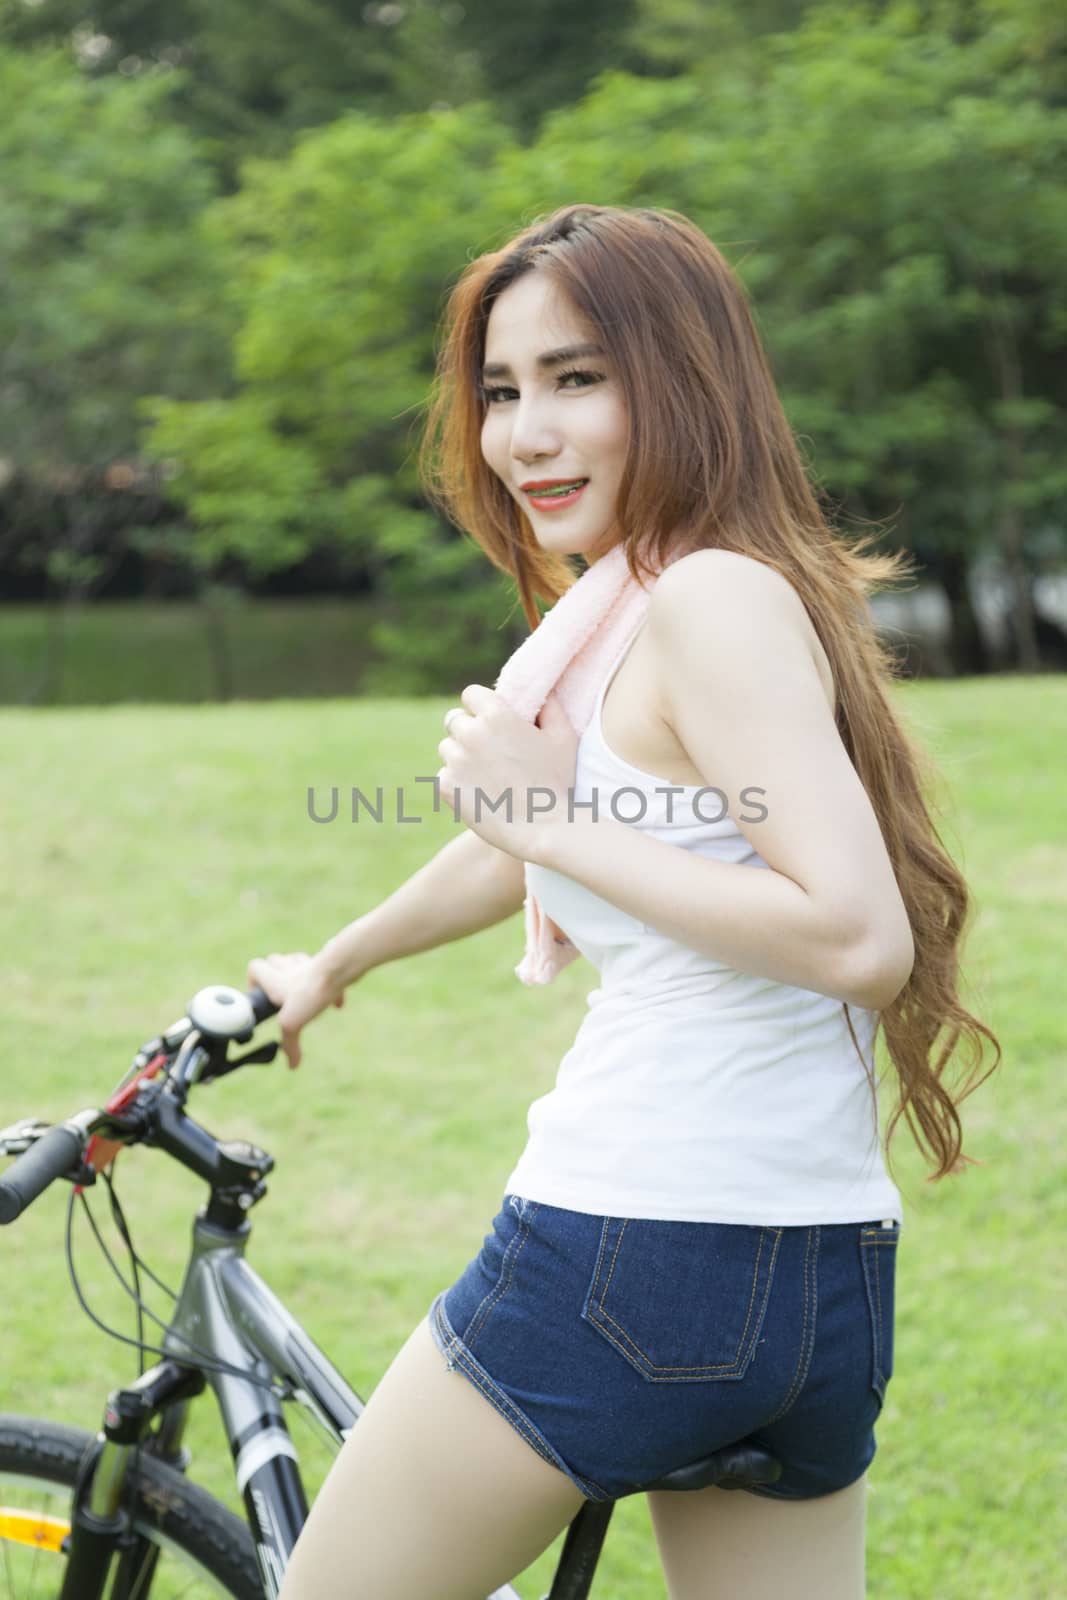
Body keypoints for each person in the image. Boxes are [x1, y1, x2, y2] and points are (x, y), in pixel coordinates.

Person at [252, 204, 1001, 1600]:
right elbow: (528, 848)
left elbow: (856, 937)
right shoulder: (641, 602)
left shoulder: (704, 601)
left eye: (577, 379)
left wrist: (554, 815)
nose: (525, 433)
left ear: (685, 380)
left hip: (635, 1250)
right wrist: (340, 959)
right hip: (817, 1283)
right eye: (500, 391)